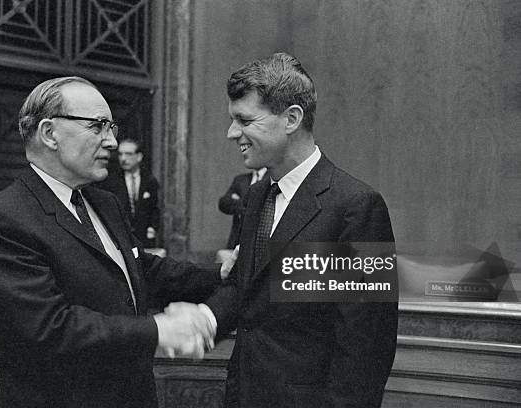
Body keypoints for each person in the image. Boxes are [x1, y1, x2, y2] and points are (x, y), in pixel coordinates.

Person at [0, 77, 226, 408]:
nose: (113, 142)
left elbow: (141, 271)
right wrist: (157, 331)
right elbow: (47, 328)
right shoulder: (3, 218)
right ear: (50, 134)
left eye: (112, 127)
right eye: (98, 126)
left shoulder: (104, 202)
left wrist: (219, 274)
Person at [203, 53, 399, 407]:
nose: (232, 133)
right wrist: (199, 322)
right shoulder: (257, 194)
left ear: (291, 118)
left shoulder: (358, 207)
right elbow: (247, 288)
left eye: (244, 120)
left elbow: (367, 347)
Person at [98, 138, 160, 247]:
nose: (123, 159)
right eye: (121, 154)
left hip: (144, 238)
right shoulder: (110, 181)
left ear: (139, 157)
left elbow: (155, 208)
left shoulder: (149, 181)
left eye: (128, 154)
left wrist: (153, 228)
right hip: (120, 238)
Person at [219, 168, 267, 249]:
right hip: (237, 242)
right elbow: (223, 203)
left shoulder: (274, 178)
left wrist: (238, 201)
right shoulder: (240, 179)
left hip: (261, 244)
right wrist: (249, 206)